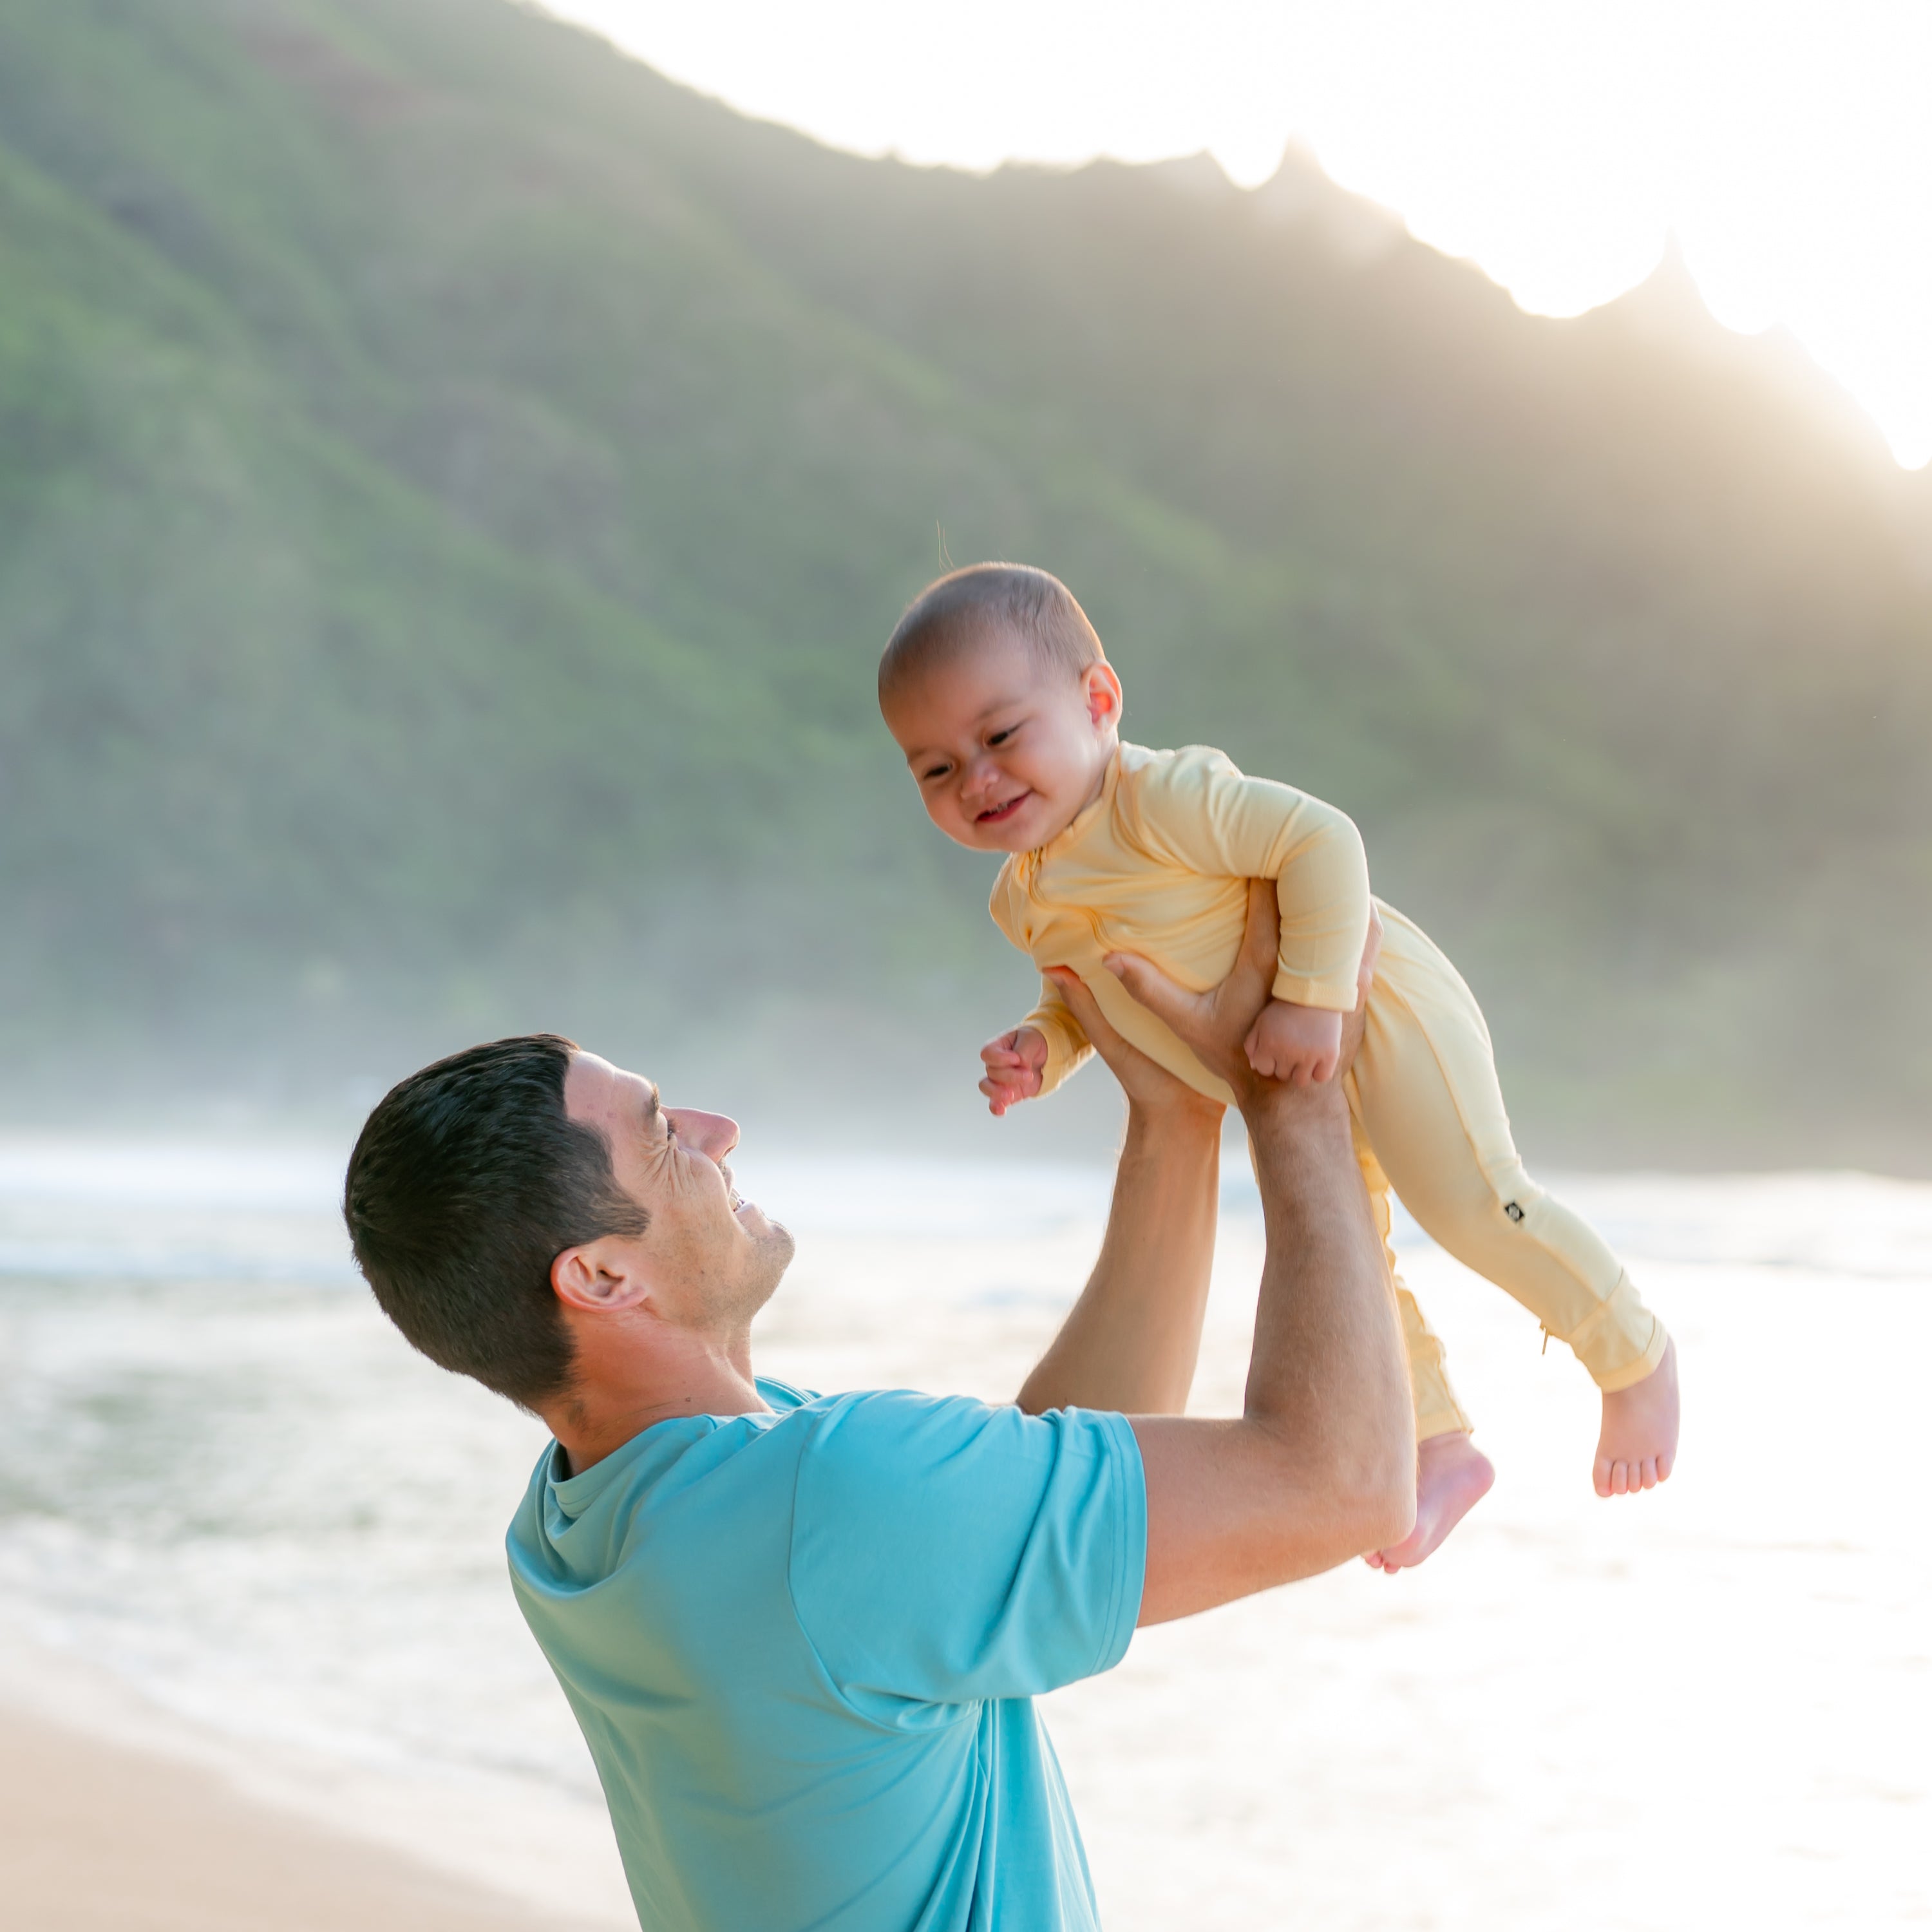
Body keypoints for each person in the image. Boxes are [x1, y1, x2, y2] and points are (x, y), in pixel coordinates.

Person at [342, 882, 1414, 1932]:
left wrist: (1174, 1123)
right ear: (604, 1279)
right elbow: (1347, 1482)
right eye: (663, 1132)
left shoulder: (576, 1526)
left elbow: (1038, 1492)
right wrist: (1296, 1092)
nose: (720, 1132)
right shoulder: (832, 1496)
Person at [878, 562, 1680, 1573]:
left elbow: (1320, 840)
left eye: (999, 737)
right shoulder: (1020, 899)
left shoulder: (1159, 800)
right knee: (1347, 1255)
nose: (977, 779)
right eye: (936, 769)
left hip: (1376, 1005)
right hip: (1275, 1072)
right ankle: (1438, 1450)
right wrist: (1044, 1050)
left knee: (1471, 1202)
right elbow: (1083, 997)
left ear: (1098, 702)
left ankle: (1633, 1354)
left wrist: (1311, 997)